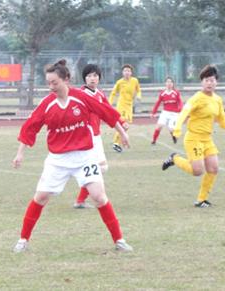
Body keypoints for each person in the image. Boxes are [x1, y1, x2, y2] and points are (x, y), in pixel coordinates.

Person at [12, 60, 133, 253]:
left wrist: (122, 133)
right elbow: (30, 127)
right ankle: (22, 240)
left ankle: (119, 240)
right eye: (48, 83)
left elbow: (105, 112)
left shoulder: (81, 97)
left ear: (66, 80)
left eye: (54, 82)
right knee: (41, 197)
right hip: (58, 159)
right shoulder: (47, 104)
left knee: (99, 197)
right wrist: (20, 153)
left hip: (84, 156)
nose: (50, 87)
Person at [162, 65, 225, 208]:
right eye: (206, 80)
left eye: (212, 80)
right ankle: (175, 158)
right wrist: (177, 128)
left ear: (216, 82)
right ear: (202, 82)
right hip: (193, 138)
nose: (209, 83)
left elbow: (221, 119)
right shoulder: (197, 98)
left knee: (213, 168)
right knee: (197, 171)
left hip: (207, 139)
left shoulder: (217, 100)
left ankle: (201, 199)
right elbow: (184, 112)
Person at [73, 64, 128, 209]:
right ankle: (84, 198)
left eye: (95, 75)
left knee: (101, 168)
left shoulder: (99, 94)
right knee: (99, 168)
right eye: (89, 76)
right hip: (85, 137)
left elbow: (108, 110)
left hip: (96, 136)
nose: (93, 78)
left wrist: (121, 122)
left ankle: (81, 199)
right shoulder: (81, 94)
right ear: (84, 78)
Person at [109, 64, 141, 152]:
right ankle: (116, 143)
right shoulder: (119, 82)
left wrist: (138, 96)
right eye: (125, 71)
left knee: (126, 127)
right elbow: (113, 93)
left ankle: (119, 142)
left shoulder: (135, 81)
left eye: (128, 71)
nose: (127, 72)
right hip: (121, 106)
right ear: (122, 73)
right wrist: (110, 103)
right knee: (124, 125)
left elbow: (138, 90)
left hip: (129, 106)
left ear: (131, 72)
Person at [150, 77, 183, 145]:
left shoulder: (176, 93)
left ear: (173, 84)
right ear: (165, 83)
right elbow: (158, 103)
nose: (169, 83)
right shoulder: (162, 93)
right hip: (165, 113)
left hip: (174, 114)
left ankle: (174, 137)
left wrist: (180, 109)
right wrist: (153, 112)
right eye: (167, 82)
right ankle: (154, 141)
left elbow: (180, 102)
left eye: (170, 82)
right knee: (159, 126)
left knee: (171, 129)